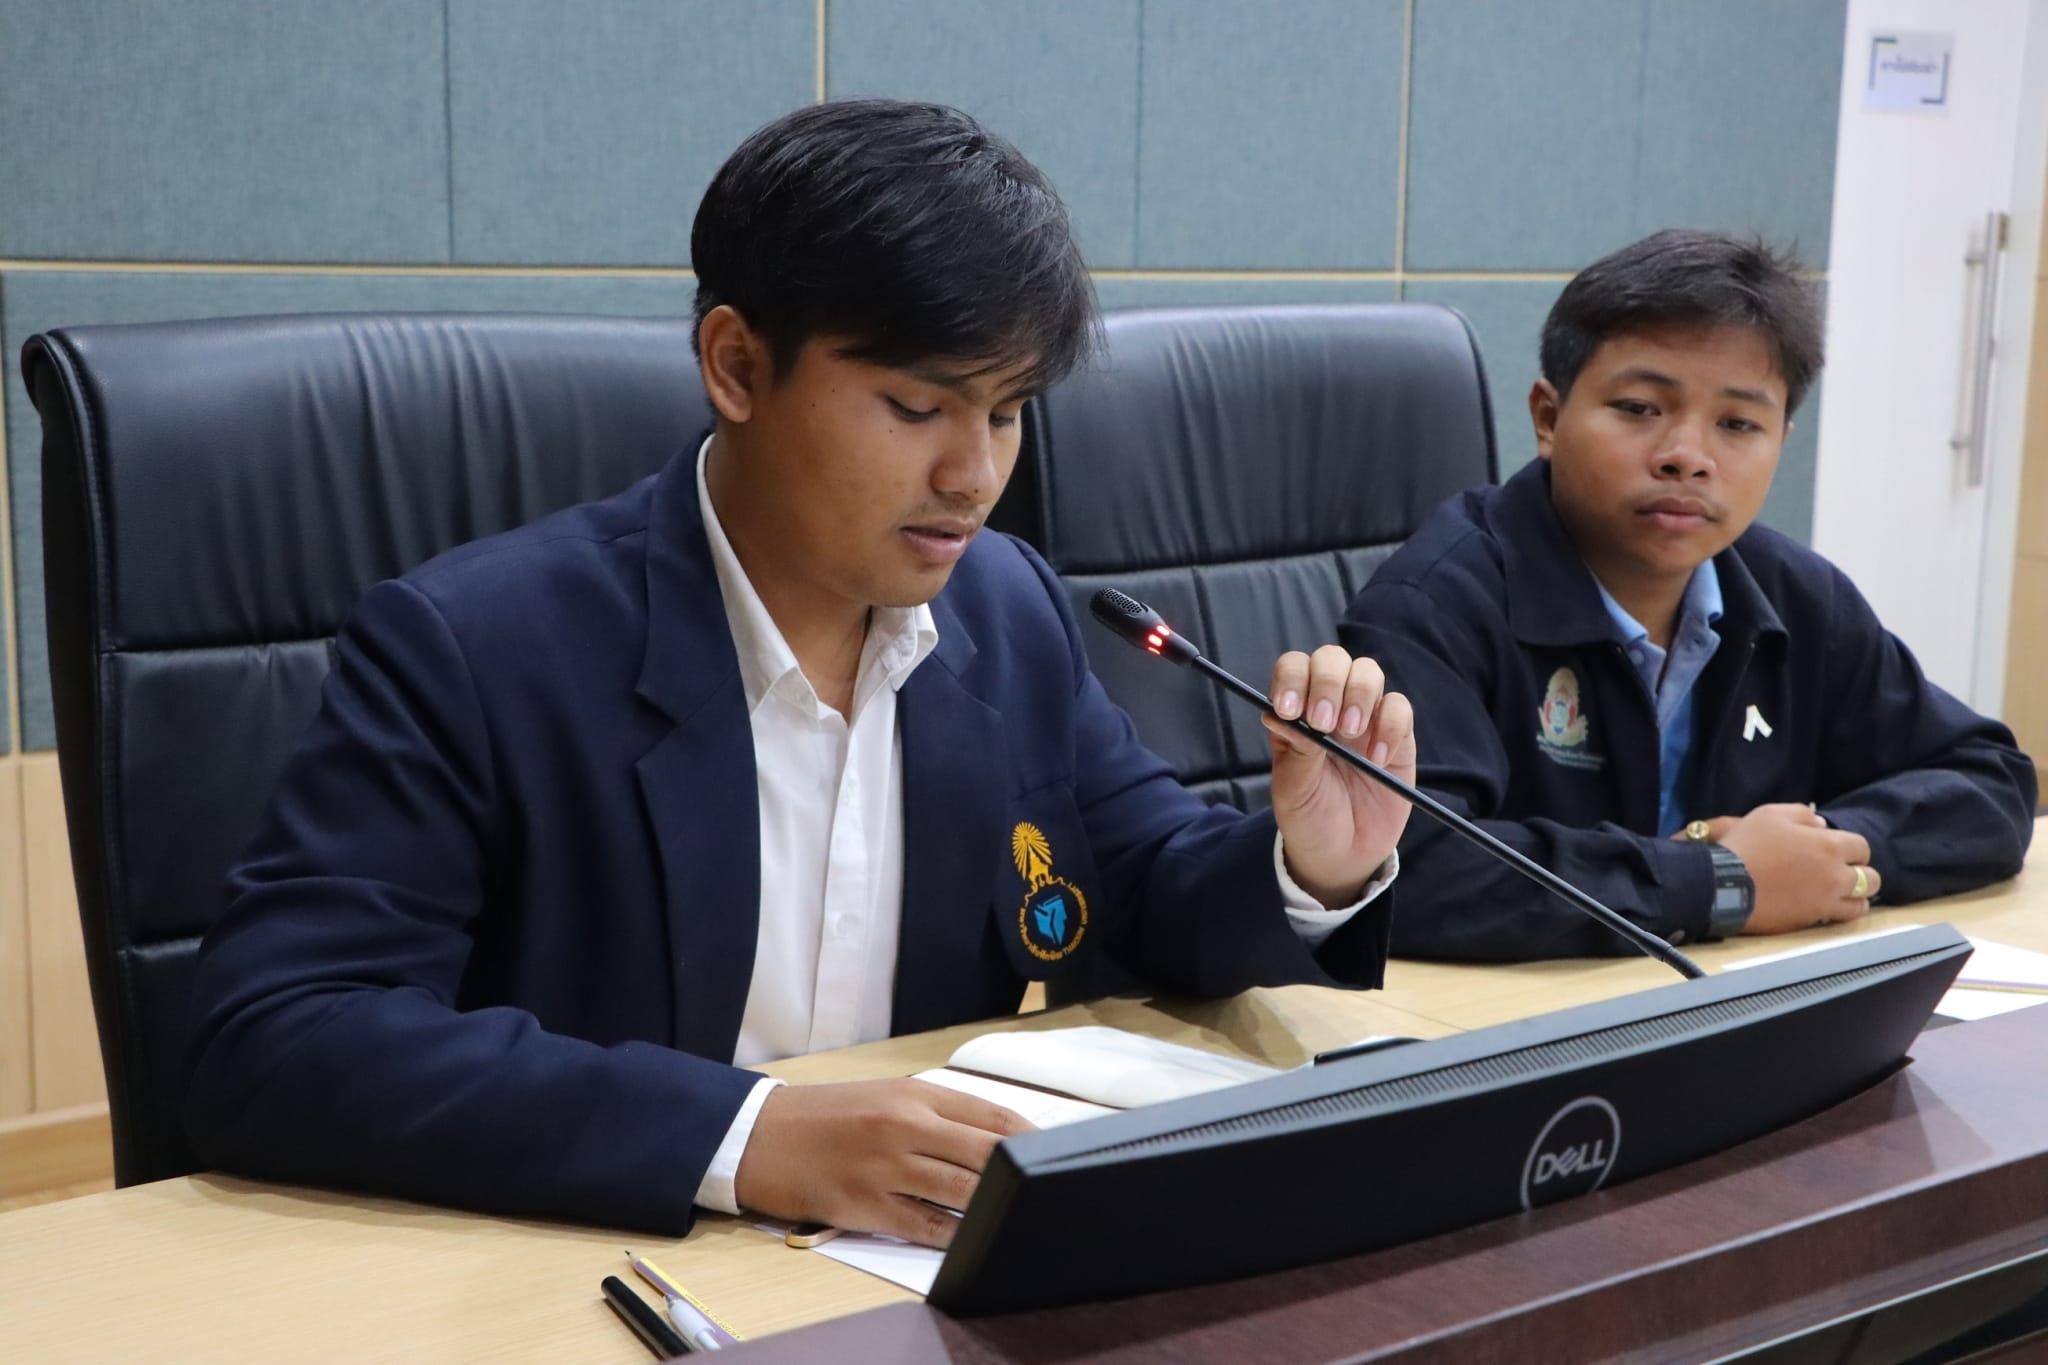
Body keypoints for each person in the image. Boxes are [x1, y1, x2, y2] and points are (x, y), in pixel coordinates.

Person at [184, 100, 1417, 1245]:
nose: (973, 477)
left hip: (897, 1268)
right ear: (735, 366)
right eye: (915, 407)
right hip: (579, 1267)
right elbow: (278, 1034)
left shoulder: (1003, 608)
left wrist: (1309, 864)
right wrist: (745, 1136)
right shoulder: (474, 646)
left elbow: (1142, 887)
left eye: (1004, 412)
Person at [1340, 229, 2034, 962]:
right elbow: (1401, 866)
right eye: (1640, 408)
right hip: (1515, 1013)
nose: (1688, 457)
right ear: (1548, 416)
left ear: (1780, 440)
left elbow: (1989, 783)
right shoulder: (1432, 604)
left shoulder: (1795, 593)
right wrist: (1720, 880)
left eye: (1738, 424)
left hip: (1728, 998)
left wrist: (1819, 856)